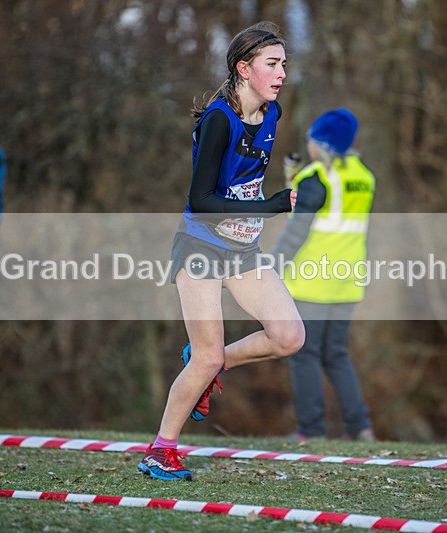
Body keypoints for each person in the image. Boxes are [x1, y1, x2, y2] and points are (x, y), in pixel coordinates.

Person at [137, 22, 305, 481]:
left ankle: (208, 363)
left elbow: (246, 183)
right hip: (201, 249)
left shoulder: (271, 113)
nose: (282, 73)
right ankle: (160, 451)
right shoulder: (218, 120)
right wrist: (271, 206)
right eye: (272, 64)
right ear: (243, 69)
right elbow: (202, 201)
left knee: (289, 336)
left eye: (284, 64)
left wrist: (290, 194)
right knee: (207, 356)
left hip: (243, 251)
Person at [273, 109, 376, 442]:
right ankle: (360, 428)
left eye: (312, 140)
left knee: (304, 354)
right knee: (336, 354)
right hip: (347, 282)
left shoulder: (316, 178)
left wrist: (271, 268)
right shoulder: (363, 176)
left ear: (321, 144)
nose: (309, 146)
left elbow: (296, 231)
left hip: (313, 282)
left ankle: (311, 431)